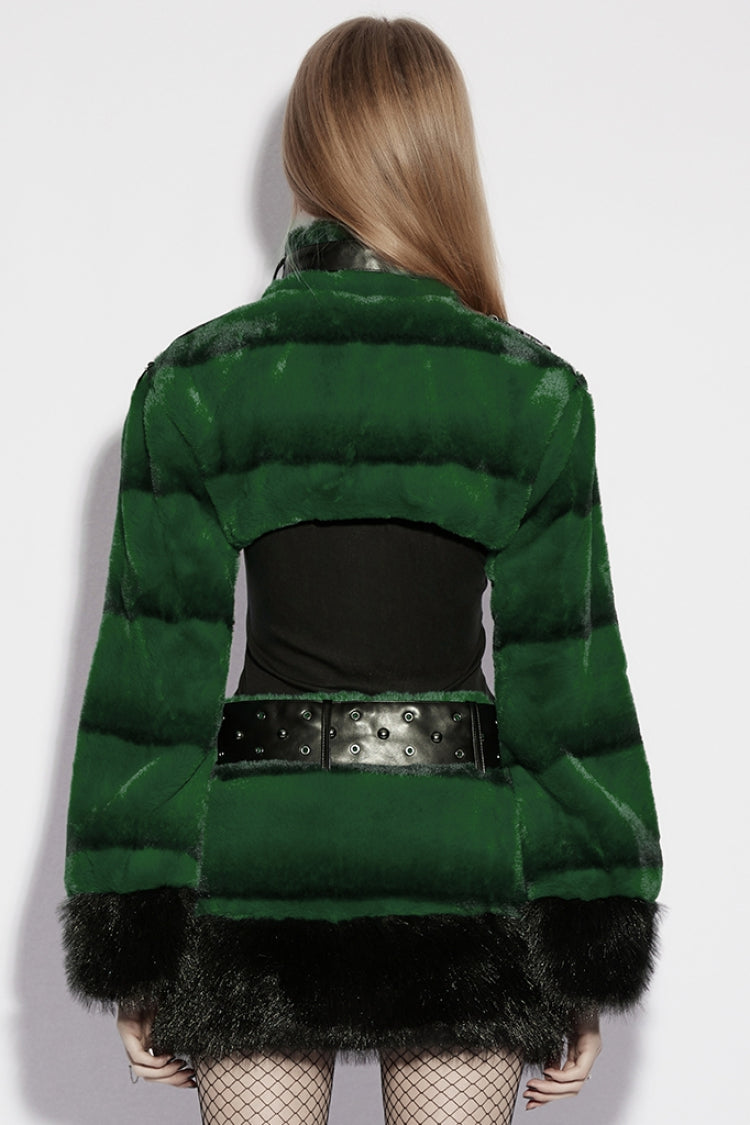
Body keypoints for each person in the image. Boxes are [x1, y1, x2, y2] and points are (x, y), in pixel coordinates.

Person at [60, 16, 662, 1124]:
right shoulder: (530, 394)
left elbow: (154, 688)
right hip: (459, 876)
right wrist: (585, 942)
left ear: (306, 157)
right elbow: (569, 695)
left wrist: (133, 936)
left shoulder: (198, 383)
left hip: (261, 875)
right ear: (443, 156)